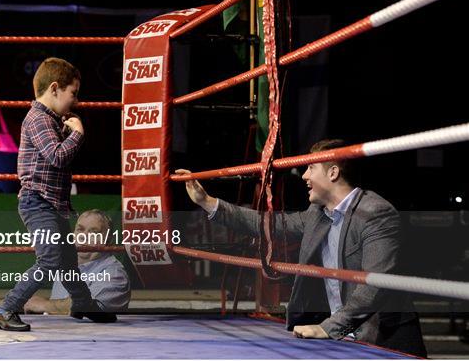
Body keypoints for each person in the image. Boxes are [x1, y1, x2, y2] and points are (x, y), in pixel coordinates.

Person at [176, 139, 427, 357]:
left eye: (311, 167)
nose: (304, 176)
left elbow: (374, 284)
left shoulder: (375, 214)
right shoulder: (317, 214)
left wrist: (329, 327)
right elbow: (269, 225)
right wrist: (207, 202)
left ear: (333, 173)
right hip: (342, 338)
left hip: (383, 337)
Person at [0, 57, 115, 332]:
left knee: (67, 259)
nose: (76, 101)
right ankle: (6, 309)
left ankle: (82, 304)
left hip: (50, 203)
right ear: (55, 88)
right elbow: (57, 157)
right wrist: (77, 134)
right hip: (37, 203)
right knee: (49, 259)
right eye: (73, 93)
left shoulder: (49, 119)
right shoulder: (38, 119)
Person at [24, 209, 131, 314]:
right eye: (80, 229)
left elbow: (86, 308)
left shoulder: (114, 273)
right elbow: (64, 304)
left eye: (94, 232)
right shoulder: (66, 264)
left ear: (108, 240)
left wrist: (43, 304)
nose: (83, 236)